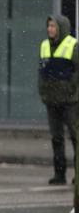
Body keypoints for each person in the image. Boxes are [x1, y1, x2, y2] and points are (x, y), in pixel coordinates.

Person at [38, 14, 78, 185]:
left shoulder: (73, 46)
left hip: (70, 102)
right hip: (52, 101)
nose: (50, 29)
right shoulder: (44, 45)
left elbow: (76, 73)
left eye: (53, 26)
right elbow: (41, 72)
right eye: (49, 26)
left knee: (76, 138)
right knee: (57, 138)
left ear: (61, 28)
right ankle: (59, 174)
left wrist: (72, 92)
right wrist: (43, 93)